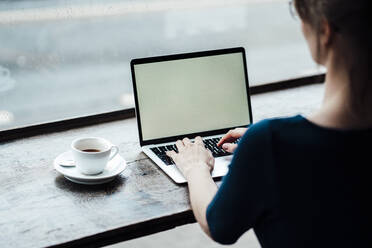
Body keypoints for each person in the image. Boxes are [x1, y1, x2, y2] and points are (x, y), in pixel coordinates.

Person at [166, 0, 371, 247]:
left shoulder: (270, 143)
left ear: (325, 31)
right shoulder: (271, 142)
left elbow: (219, 226)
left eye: (302, 19)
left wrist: (195, 167)